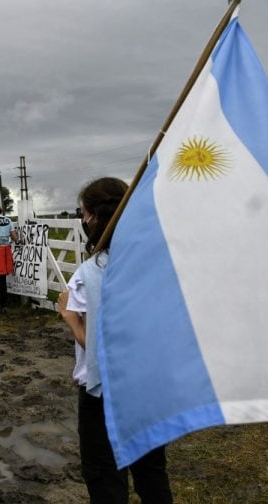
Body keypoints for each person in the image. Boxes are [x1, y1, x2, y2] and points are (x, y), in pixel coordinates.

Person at [57, 177, 173, 504]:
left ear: (94, 216)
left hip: (102, 392)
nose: (81, 220)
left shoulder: (90, 272)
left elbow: (93, 346)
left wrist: (68, 315)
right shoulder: (155, 266)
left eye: (83, 213)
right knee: (152, 472)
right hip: (150, 385)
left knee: (104, 475)